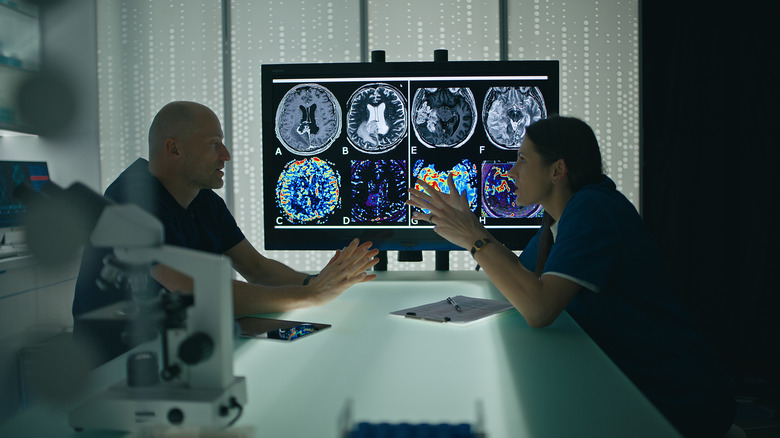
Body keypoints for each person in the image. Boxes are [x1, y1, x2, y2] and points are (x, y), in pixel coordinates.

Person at [406, 116, 735, 438]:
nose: (511, 171)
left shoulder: (593, 209)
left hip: (676, 399)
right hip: (635, 385)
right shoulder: (557, 222)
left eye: (522, 159)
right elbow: (521, 279)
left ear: (557, 170)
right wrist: (474, 230)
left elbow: (539, 309)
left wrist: (474, 239)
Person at [73, 101, 379, 364]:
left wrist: (322, 283)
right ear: (173, 148)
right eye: (213, 144)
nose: (226, 155)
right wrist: (309, 295)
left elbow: (256, 268)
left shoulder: (204, 200)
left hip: (180, 350)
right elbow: (190, 290)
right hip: (120, 367)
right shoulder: (131, 201)